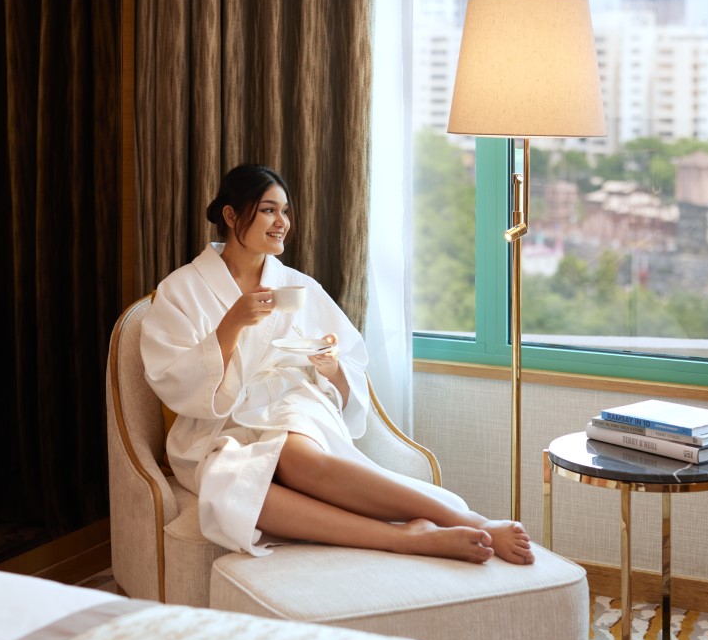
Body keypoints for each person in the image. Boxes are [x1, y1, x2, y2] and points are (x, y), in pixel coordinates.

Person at [140, 164, 534, 565]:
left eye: (286, 211)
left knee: (295, 456)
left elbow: (348, 364)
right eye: (269, 210)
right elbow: (174, 380)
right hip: (218, 428)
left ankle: (469, 518)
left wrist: (331, 368)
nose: (283, 223)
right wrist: (232, 323)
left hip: (289, 405)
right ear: (230, 215)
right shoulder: (180, 290)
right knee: (232, 492)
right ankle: (406, 538)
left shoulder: (298, 286)